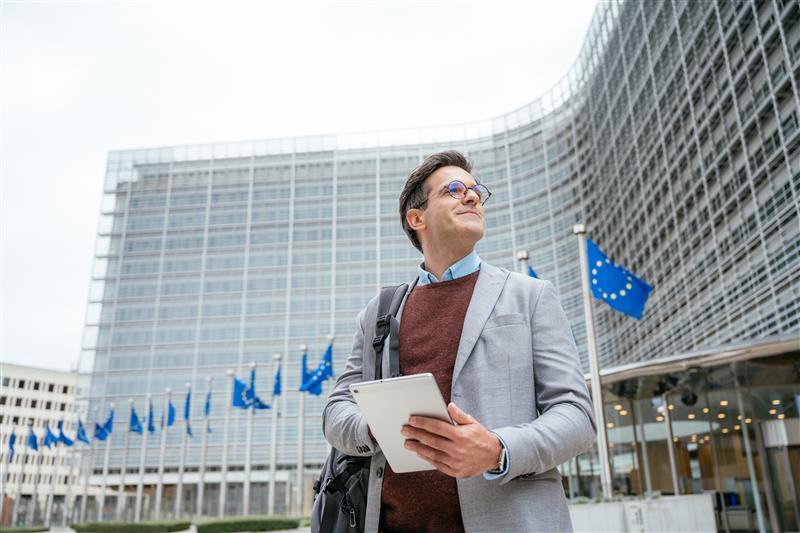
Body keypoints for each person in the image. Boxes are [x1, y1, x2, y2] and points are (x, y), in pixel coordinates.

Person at [323, 150, 596, 532]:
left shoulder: (530, 296)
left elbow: (576, 417)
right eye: (453, 190)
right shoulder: (379, 312)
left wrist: (498, 450)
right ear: (416, 218)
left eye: (475, 191)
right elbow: (337, 410)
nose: (471, 197)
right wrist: (376, 427)